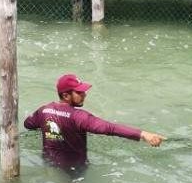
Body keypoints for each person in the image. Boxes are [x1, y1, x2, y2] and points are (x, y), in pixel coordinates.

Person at [24, 73, 165, 173]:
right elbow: (110, 128)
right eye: (79, 92)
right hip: (74, 171)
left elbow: (28, 124)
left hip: (48, 164)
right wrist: (143, 134)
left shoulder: (43, 111)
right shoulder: (79, 117)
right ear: (66, 95)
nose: (84, 94)